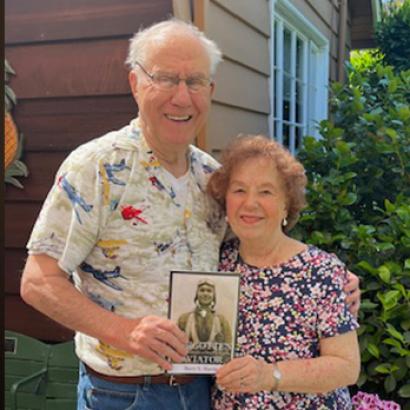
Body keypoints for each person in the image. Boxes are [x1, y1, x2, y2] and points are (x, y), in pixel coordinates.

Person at [19, 18, 361, 410]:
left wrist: (331, 279)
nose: (182, 97)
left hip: (205, 391)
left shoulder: (213, 179)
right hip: (123, 394)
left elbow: (258, 250)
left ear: (210, 91)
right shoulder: (95, 168)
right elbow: (38, 282)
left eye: (195, 82)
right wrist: (124, 332)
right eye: (166, 79)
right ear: (135, 84)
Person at [207, 135, 361, 409]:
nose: (250, 203)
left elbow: (346, 367)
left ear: (286, 205)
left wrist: (270, 375)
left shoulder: (321, 271)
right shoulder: (215, 264)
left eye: (266, 192)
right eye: (239, 190)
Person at [178, 279, 232, 344]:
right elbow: (177, 343)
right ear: (197, 294)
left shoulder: (221, 320)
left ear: (213, 295)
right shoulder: (184, 319)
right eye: (202, 290)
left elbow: (229, 345)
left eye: (209, 291)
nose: (205, 294)